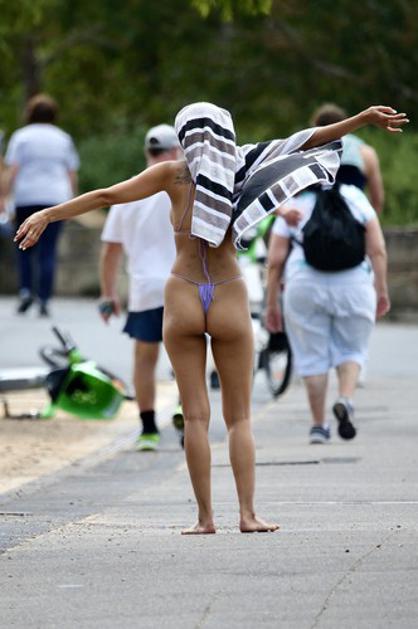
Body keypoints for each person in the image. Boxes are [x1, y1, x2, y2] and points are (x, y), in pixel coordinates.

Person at [14, 102, 408, 533]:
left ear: (184, 137)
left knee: (195, 416)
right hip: (227, 292)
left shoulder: (171, 174)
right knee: (239, 418)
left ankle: (204, 519)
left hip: (183, 290)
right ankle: (248, 515)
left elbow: (107, 196)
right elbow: (305, 140)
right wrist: (362, 120)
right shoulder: (243, 164)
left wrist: (47, 213)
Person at [266, 184, 391, 444]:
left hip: (304, 284)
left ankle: (319, 426)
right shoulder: (355, 197)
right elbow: (377, 249)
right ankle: (345, 398)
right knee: (352, 350)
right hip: (354, 284)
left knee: (311, 357)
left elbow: (275, 261)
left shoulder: (294, 206)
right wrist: (381, 289)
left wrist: (271, 304)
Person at [99, 124, 180, 451]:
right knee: (187, 355)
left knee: (145, 359)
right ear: (176, 151)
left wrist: (108, 294)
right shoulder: (186, 186)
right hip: (183, 284)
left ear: (148, 152)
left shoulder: (129, 191)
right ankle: (185, 410)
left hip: (145, 288)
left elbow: (111, 250)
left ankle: (148, 430)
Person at [2, 94, 79, 316]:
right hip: (55, 198)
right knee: (48, 249)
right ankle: (44, 298)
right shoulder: (63, 138)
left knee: (24, 246)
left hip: (26, 197)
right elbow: (71, 172)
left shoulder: (21, 137)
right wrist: (73, 201)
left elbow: (12, 170)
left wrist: (3, 197)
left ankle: (26, 290)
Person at [311, 103, 384, 213]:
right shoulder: (366, 152)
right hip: (353, 212)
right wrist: (366, 219)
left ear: (316, 126)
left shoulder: (308, 149)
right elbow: (377, 200)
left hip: (316, 214)